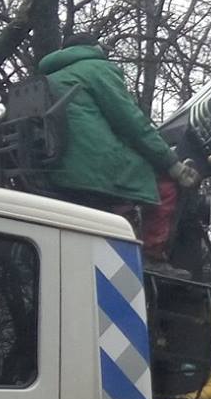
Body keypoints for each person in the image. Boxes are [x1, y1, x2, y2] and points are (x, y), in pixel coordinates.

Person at [37, 33, 200, 257]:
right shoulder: (96, 68)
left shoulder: (49, 78)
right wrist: (172, 164)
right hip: (93, 168)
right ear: (95, 48)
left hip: (55, 170)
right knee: (165, 185)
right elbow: (133, 124)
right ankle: (153, 257)